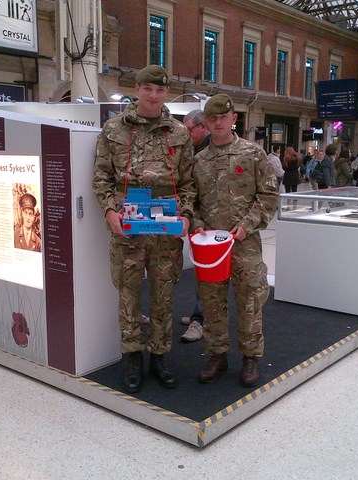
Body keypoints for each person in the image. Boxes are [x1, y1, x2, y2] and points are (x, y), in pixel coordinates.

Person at [93, 65, 195, 393]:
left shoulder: (178, 134)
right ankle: (133, 357)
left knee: (164, 296)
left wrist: (188, 216)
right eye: (148, 89)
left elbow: (190, 183)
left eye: (160, 90)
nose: (154, 95)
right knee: (129, 295)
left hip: (164, 228)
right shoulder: (113, 129)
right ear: (137, 88)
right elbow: (101, 177)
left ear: (166, 92)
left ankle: (160, 357)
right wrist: (109, 209)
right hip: (128, 228)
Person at [191, 94, 278, 388]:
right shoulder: (199, 161)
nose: (217, 123)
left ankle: (251, 357)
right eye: (212, 119)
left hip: (244, 243)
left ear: (233, 119)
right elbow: (191, 200)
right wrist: (197, 223)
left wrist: (246, 225)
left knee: (250, 299)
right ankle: (217, 354)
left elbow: (268, 196)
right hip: (210, 246)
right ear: (206, 122)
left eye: (223, 118)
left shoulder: (253, 154)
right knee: (212, 301)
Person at [179, 109, 211, 343]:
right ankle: (200, 315)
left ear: (203, 126)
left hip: (212, 224)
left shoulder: (208, 153)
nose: (186, 134)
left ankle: (201, 320)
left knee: (209, 275)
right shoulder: (194, 151)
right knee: (201, 272)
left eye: (189, 129)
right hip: (198, 220)